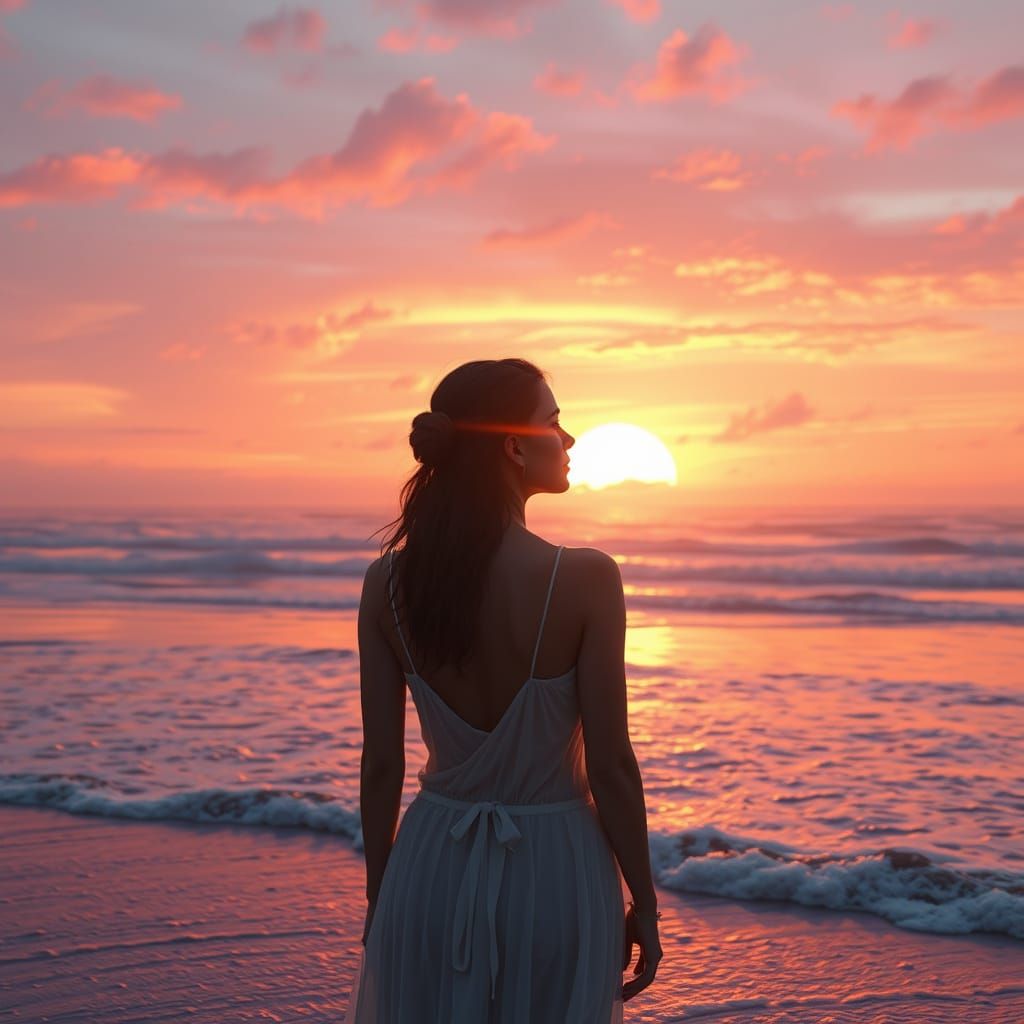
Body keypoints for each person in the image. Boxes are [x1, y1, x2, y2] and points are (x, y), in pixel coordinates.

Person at [344, 357, 663, 1022]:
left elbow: (381, 765)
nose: (569, 439)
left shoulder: (389, 586)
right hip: (555, 869)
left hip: (428, 868)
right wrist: (647, 904)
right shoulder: (586, 578)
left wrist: (385, 896)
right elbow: (611, 767)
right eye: (554, 421)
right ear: (514, 445)